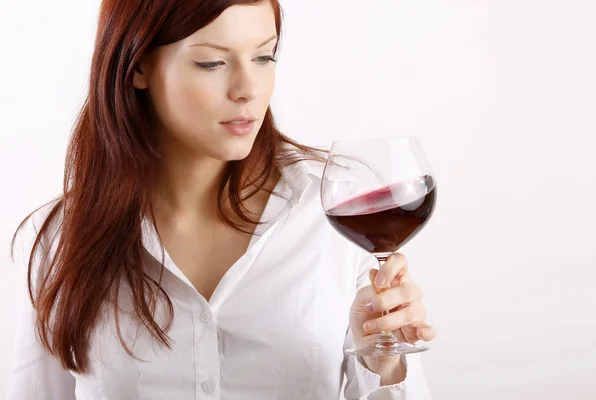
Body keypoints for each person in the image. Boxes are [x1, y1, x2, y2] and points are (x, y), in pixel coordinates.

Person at [7, 1, 436, 399]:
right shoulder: (56, 241)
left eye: (264, 56)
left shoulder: (331, 216)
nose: (248, 89)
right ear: (137, 66)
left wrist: (384, 358)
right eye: (212, 62)